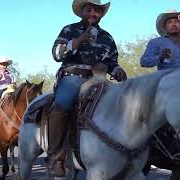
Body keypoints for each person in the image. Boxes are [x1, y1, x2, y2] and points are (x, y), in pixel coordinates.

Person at [47, 0, 127, 176]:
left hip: (99, 79)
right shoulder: (69, 30)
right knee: (62, 104)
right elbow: (56, 54)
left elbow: (112, 61)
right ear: (82, 11)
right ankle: (56, 157)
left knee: (122, 105)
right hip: (73, 76)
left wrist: (118, 70)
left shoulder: (107, 37)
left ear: (100, 14)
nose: (93, 13)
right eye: (89, 9)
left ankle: (121, 152)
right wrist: (80, 40)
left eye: (96, 10)